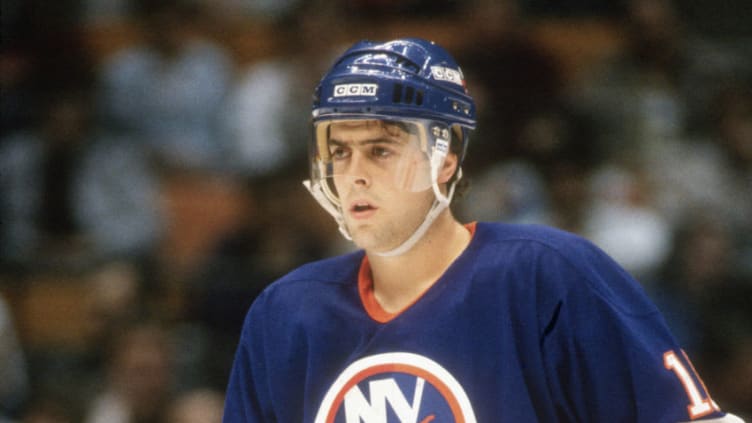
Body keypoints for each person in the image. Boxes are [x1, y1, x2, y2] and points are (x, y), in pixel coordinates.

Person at [222, 38, 744, 422]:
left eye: (380, 149)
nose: (355, 172)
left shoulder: (548, 276)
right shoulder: (284, 312)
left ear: (444, 159)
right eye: (340, 151)